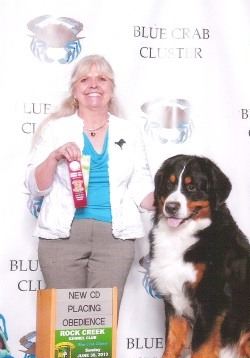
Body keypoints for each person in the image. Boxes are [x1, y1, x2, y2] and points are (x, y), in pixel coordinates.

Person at [25, 54, 154, 312]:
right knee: (64, 322)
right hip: (62, 236)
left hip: (115, 240)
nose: (93, 84)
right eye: (85, 79)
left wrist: (170, 201)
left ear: (111, 90)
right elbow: (35, 186)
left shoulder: (129, 132)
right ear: (75, 90)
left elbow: (140, 183)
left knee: (101, 325)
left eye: (102, 79)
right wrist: (54, 157)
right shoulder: (55, 129)